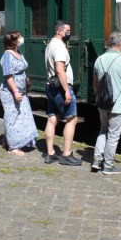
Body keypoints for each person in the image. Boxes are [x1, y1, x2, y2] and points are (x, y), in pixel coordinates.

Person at [91, 32, 121, 175]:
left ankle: (96, 161)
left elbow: (95, 84)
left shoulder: (99, 59)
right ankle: (108, 166)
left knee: (103, 130)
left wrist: (98, 97)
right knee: (113, 135)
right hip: (118, 106)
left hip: (102, 104)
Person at [44, 20, 82, 166]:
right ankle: (66, 155)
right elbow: (59, 69)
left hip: (50, 86)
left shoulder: (50, 45)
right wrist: (67, 91)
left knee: (52, 118)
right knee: (72, 119)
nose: (69, 33)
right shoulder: (59, 47)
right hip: (61, 88)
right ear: (59, 31)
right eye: (67, 31)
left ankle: (50, 153)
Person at [0, 30, 38, 156]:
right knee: (13, 117)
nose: (21, 39)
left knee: (22, 116)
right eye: (19, 37)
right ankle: (13, 147)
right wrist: (15, 91)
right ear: (13, 41)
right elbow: (8, 75)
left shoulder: (18, 52)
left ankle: (8, 141)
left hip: (21, 91)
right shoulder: (7, 55)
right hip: (10, 92)